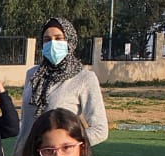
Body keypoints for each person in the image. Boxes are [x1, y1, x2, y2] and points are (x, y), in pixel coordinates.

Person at [15, 17, 108, 149]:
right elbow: (25, 124)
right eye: (47, 40)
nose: (52, 44)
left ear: (70, 41)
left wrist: (66, 147)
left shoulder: (84, 78)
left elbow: (100, 130)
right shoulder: (34, 75)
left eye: (58, 38)